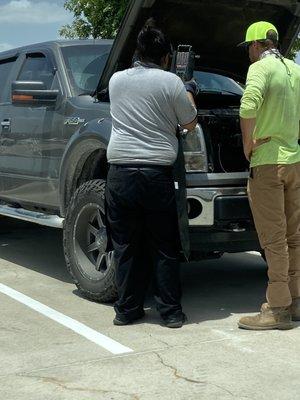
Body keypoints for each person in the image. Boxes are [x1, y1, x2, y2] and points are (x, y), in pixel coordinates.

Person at [105, 21, 198, 328]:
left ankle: (127, 311)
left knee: (126, 245)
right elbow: (189, 122)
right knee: (163, 245)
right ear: (166, 57)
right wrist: (188, 89)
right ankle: (170, 314)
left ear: (137, 51)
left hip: (119, 175)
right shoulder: (171, 83)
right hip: (157, 175)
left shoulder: (116, 81)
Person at [238, 21, 300, 330]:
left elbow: (248, 105)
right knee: (295, 236)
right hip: (294, 161)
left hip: (268, 164)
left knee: (274, 239)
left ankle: (277, 309)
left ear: (256, 45)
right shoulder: (294, 69)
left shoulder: (259, 69)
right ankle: (296, 300)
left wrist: (248, 143)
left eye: (248, 48)